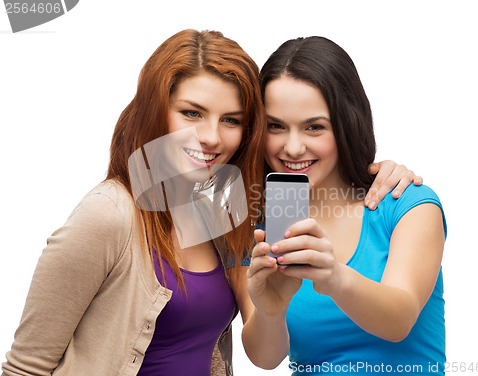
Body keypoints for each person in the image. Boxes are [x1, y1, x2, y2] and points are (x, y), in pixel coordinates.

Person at [1, 29, 423, 376]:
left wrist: (373, 169)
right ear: (155, 111)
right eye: (191, 113)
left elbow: (265, 351)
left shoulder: (221, 207)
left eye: (232, 120)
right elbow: (25, 367)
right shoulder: (108, 215)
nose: (210, 137)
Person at [243, 36, 446, 375]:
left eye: (314, 127)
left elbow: (400, 319)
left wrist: (335, 277)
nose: (293, 147)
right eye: (275, 126)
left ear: (346, 124)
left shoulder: (405, 204)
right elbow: (265, 359)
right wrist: (270, 311)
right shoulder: (262, 225)